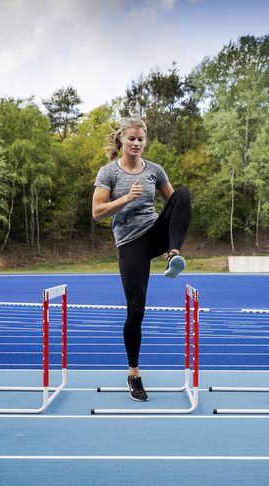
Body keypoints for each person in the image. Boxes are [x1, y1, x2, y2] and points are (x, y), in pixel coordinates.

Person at [92, 117, 192, 401]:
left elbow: (175, 205)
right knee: (136, 310)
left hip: (155, 234)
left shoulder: (155, 171)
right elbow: (97, 212)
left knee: (184, 194)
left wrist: (172, 236)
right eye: (131, 139)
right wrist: (126, 198)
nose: (136, 143)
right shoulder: (108, 172)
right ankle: (134, 373)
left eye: (141, 139)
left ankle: (173, 254)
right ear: (122, 140)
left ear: (145, 141)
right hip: (130, 243)